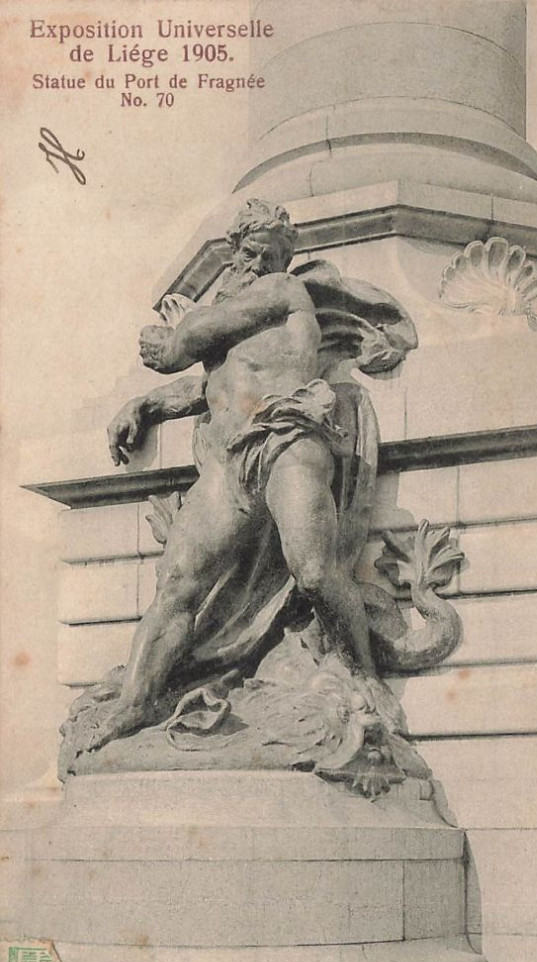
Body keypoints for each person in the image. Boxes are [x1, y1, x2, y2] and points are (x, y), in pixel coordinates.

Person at [84, 199, 400, 751]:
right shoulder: (238, 331)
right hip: (229, 460)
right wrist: (145, 406)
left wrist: (172, 342)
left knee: (314, 570)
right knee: (178, 584)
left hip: (286, 439)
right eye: (254, 253)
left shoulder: (282, 293)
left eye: (275, 255)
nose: (263, 264)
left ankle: (364, 672)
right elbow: (207, 386)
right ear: (234, 251)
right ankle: (134, 703)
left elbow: (183, 344)